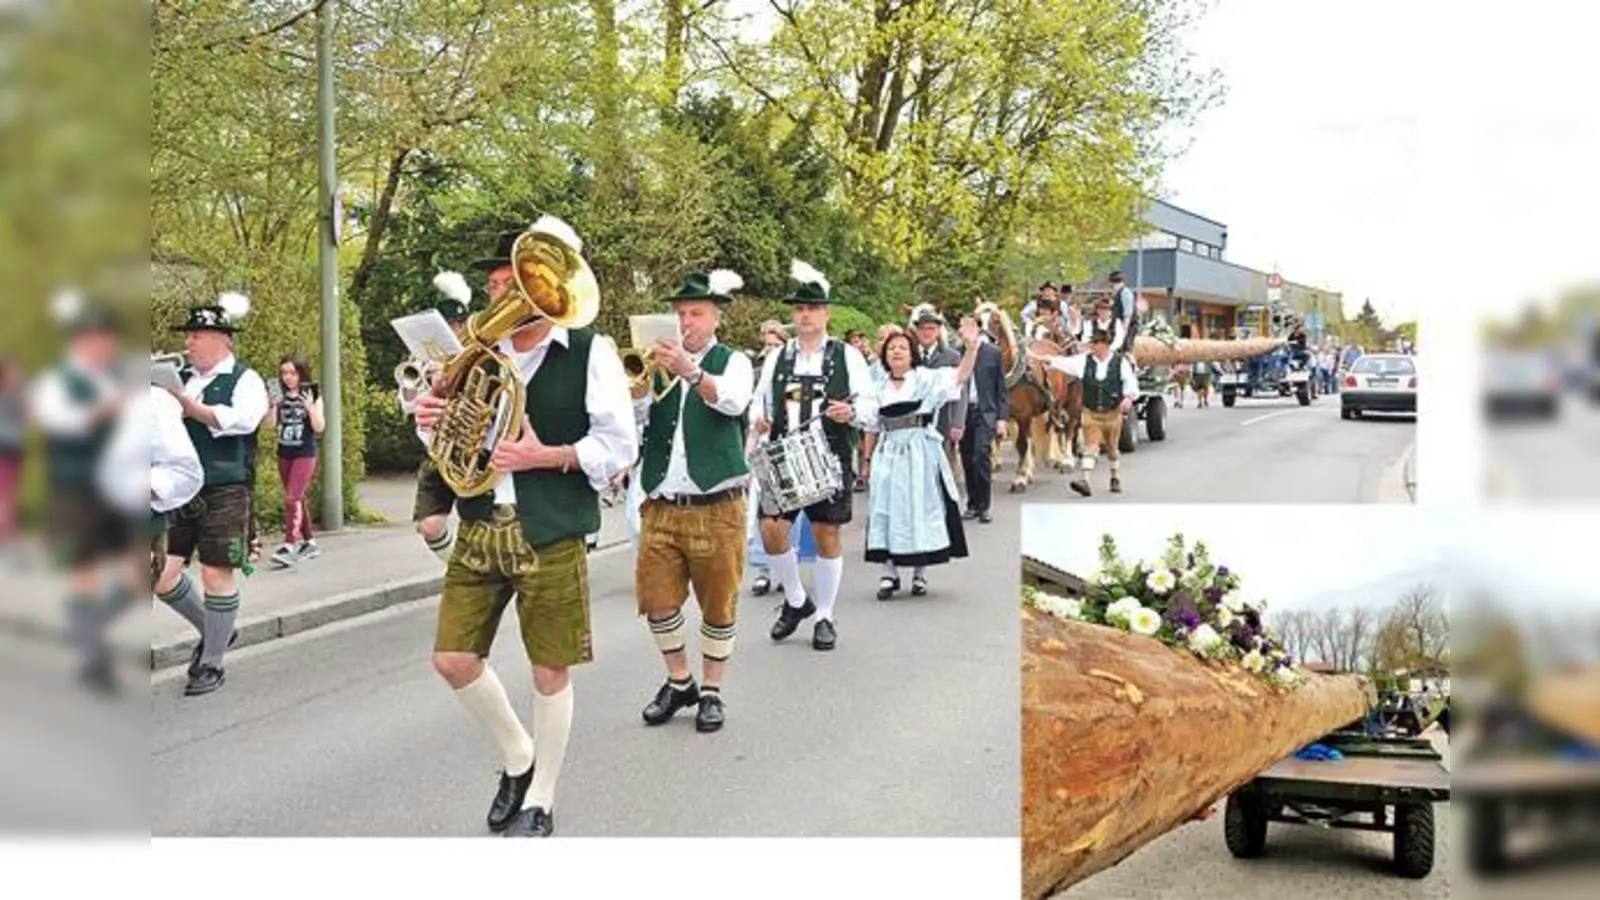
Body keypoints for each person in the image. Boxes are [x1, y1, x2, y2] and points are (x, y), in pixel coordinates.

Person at [412, 217, 636, 838]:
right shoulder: (475, 356)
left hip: (551, 526)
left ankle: (541, 795)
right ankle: (518, 754)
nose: (507, 299)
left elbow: (619, 447)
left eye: (519, 286)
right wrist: (429, 414)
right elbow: (443, 442)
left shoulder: (592, 353)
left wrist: (546, 455)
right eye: (498, 288)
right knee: (453, 659)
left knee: (549, 667)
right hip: (482, 522)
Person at [630, 270, 753, 734]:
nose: (686, 322)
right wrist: (640, 393)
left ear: (715, 316)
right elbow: (640, 421)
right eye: (680, 314)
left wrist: (691, 370)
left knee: (718, 604)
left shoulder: (733, 360)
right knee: (656, 601)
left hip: (716, 503)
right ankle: (680, 680)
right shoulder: (657, 362)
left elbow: (733, 403)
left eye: (695, 313)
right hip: (661, 500)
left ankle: (713, 690)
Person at [754, 259, 877, 651]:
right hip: (785, 452)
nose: (804, 315)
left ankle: (824, 614)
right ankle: (795, 601)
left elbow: (871, 404)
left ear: (826, 313)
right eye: (799, 309)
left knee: (826, 534)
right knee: (771, 529)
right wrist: (759, 422)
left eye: (811, 309)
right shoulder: (778, 357)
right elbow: (760, 402)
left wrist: (852, 412)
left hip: (828, 452)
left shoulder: (847, 356)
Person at [152, 292, 269, 696]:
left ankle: (212, 661)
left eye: (196, 335)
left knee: (216, 571)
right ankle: (216, 631)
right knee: (160, 575)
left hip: (226, 487)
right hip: (178, 488)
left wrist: (188, 406)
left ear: (222, 339)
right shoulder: (181, 378)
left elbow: (242, 421)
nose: (189, 343)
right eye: (189, 336)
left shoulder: (246, 379)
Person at [29, 293, 136, 691]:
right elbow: (60, 423)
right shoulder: (56, 380)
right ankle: (93, 657)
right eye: (98, 338)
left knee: (136, 572)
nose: (105, 345)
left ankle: (86, 631)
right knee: (85, 571)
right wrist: (105, 409)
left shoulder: (110, 377)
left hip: (115, 485)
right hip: (73, 487)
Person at [862, 320, 981, 599]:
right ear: (884, 355)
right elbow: (870, 425)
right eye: (892, 348)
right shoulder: (875, 385)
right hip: (889, 452)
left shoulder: (927, 378)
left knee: (921, 507)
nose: (897, 352)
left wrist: (971, 347)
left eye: (903, 347)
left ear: (912, 352)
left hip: (920, 452)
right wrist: (866, 461)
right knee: (885, 508)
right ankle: (888, 573)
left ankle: (919, 574)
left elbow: (960, 376)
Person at [400, 271, 476, 564]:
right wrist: (423, 380)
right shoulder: (420, 360)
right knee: (428, 525)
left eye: (458, 324)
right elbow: (408, 406)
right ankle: (461, 567)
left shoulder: (477, 353)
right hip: (436, 450)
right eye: (448, 325)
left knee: (485, 523)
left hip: (471, 449)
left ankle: (474, 577)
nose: (454, 330)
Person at [1032, 328, 1138, 497]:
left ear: (1105, 345)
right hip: (1091, 412)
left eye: (1096, 344)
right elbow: (1063, 362)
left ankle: (1114, 476)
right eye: (1092, 343)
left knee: (1111, 448)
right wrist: (1043, 358)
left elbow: (1131, 383)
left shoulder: (1120, 362)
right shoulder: (1083, 361)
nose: (1092, 347)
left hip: (1112, 413)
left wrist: (1129, 398)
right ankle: (1085, 481)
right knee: (1090, 447)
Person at [264, 355, 325, 567]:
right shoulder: (279, 396)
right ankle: (310, 542)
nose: (288, 378)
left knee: (292, 499)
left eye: (292, 373)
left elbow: (319, 427)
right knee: (298, 499)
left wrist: (309, 407)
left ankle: (289, 544)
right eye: (284, 373)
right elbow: (270, 425)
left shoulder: (312, 394)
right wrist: (272, 406)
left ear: (301, 374)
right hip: (284, 452)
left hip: (304, 453)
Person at [960, 308, 1008, 523]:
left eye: (967, 326)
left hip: (985, 412)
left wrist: (1001, 419)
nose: (963, 331)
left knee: (981, 456)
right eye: (961, 327)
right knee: (967, 459)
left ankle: (984, 505)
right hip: (963, 413)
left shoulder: (992, 353)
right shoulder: (956, 352)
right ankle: (972, 503)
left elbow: (1001, 389)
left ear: (977, 329)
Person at [0, 356, 25, 568]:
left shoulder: (14, 395)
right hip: (6, 450)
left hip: (12, 450)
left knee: (6, 499)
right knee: (6, 500)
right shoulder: (10, 395)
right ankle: (7, 548)